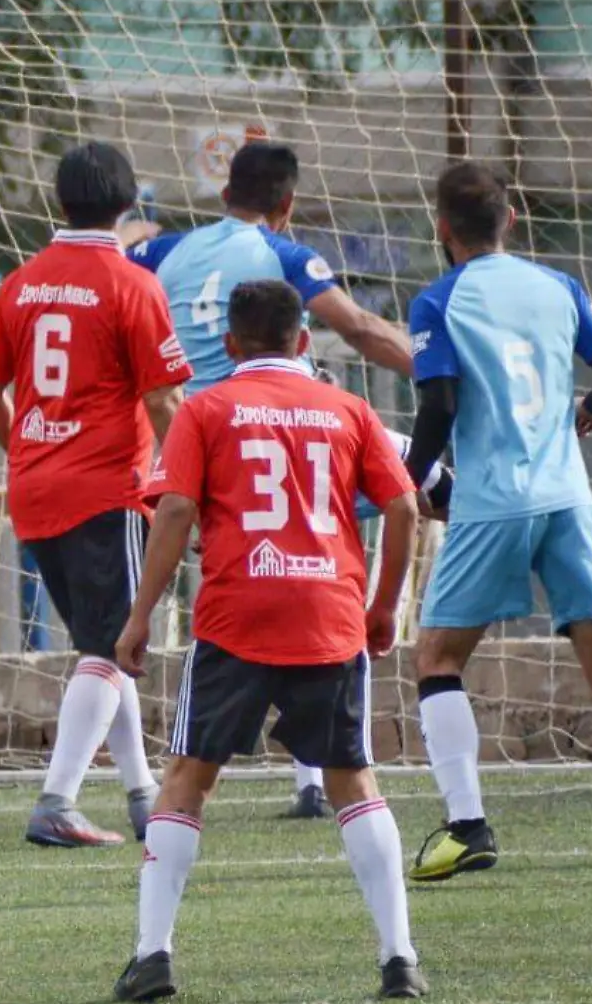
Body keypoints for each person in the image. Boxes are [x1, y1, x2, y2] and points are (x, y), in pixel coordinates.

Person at [110, 280, 426, 1002]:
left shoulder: (206, 408)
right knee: (352, 777)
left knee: (189, 775)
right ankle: (399, 957)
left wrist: (139, 617)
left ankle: (153, 955)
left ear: (228, 345)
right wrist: (384, 608)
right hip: (330, 613)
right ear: (304, 342)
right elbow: (405, 504)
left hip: (237, 616)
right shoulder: (349, 408)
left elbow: (177, 508)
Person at [128, 141, 434, 819]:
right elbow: (359, 329)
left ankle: (305, 781)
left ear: (223, 193)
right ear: (287, 204)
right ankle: (382, 712)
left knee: (260, 579)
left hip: (194, 454)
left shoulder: (162, 252)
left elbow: (118, 275)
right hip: (275, 435)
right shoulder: (285, 256)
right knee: (425, 482)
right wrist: (441, 372)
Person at [400, 161, 592, 885]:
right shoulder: (559, 286)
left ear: (442, 229)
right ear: (512, 221)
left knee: (436, 656)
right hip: (567, 499)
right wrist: (588, 411)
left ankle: (467, 826)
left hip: (492, 502)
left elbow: (436, 404)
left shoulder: (439, 300)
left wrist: (408, 482)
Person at [0, 142, 190, 847]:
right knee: (110, 644)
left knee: (104, 647)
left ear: (59, 203)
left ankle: (140, 791)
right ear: (128, 204)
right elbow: (163, 400)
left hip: (34, 487)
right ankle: (57, 799)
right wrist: (197, 483)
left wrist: (30, 454)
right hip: (106, 489)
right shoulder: (132, 284)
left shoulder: (22, 282)